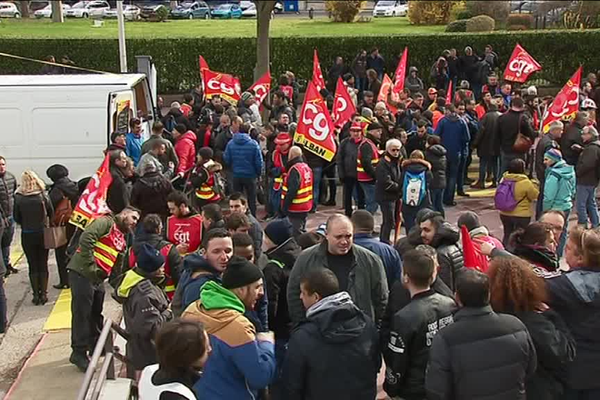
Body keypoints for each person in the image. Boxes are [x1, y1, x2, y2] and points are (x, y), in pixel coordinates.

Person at [425, 269, 537, 400]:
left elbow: (437, 389)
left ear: (457, 297)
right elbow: (530, 368)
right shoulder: (516, 326)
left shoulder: (445, 338)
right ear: (488, 295)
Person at [182, 257, 276, 399]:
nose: (262, 292)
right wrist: (267, 344)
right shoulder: (238, 326)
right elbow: (260, 376)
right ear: (241, 290)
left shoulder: (191, 311)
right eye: (257, 287)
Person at [283, 268, 380, 400]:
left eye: (303, 293)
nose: (300, 297)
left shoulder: (302, 336)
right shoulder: (367, 324)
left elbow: (292, 385)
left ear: (316, 297)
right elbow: (375, 365)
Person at [487, 256, 574, 400]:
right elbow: (564, 352)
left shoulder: (488, 321)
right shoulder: (536, 322)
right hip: (538, 390)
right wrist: (552, 316)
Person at [68, 207, 140, 372]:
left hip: (96, 277)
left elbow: (117, 269)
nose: (134, 223)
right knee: (82, 313)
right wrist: (90, 265)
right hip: (82, 272)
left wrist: (123, 287)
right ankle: (78, 352)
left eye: (136, 221)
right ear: (123, 213)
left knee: (95, 311)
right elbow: (87, 238)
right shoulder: (106, 222)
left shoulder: (122, 237)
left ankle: (96, 345)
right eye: (133, 218)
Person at [287, 214, 388, 325]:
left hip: (359, 332)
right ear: (326, 234)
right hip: (318, 331)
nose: (344, 241)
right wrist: (303, 325)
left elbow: (381, 298)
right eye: (338, 237)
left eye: (348, 236)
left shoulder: (370, 261)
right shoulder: (306, 258)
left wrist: (372, 328)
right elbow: (294, 293)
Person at [383, 250, 456, 400]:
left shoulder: (404, 318)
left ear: (406, 277)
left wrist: (391, 387)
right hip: (443, 381)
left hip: (414, 389)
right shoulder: (449, 304)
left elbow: (397, 360)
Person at [547, 227, 600, 399]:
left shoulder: (561, 287)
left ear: (580, 258)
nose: (564, 250)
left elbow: (528, 282)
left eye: (568, 248)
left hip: (573, 371)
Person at [115, 243, 173, 377]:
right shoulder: (144, 295)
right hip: (149, 357)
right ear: (152, 270)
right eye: (161, 267)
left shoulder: (137, 281)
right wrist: (168, 312)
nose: (164, 269)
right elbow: (151, 329)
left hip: (143, 353)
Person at [261, 219, 302, 378]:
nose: (264, 241)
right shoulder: (300, 257)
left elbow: (271, 304)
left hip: (280, 332)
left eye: (266, 237)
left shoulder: (273, 268)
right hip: (296, 326)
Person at [138, 319, 211, 400]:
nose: (210, 349)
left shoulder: (149, 370)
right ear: (189, 356)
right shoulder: (176, 396)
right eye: (206, 348)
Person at [14, 170, 54, 306]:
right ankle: (44, 293)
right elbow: (51, 212)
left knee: (32, 264)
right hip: (42, 232)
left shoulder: (19, 197)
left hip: (27, 233)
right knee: (43, 263)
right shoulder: (43, 195)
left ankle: (35, 294)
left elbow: (16, 217)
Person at [171, 229, 232, 317]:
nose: (224, 257)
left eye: (228, 251)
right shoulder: (198, 286)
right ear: (204, 253)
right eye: (216, 251)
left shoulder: (193, 268)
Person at [128, 214, 183, 301]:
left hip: (137, 297)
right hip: (166, 298)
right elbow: (179, 277)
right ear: (158, 229)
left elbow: (123, 274)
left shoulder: (131, 250)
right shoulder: (169, 249)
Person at [46, 164, 79, 289]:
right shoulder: (75, 185)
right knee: (75, 250)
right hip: (75, 222)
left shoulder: (56, 190)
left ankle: (65, 281)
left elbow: (50, 208)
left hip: (61, 224)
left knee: (61, 252)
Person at [352, 210, 402, 289]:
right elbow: (398, 281)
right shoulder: (390, 251)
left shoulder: (344, 248)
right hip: (385, 297)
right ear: (372, 228)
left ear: (352, 226)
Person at [224, 121, 264, 217]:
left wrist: (232, 167)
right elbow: (259, 161)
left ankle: (237, 217)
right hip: (251, 175)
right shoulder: (253, 144)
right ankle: (252, 217)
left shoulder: (231, 143)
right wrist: (259, 173)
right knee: (251, 199)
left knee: (237, 198)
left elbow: (227, 158)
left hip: (236, 174)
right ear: (249, 131)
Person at [498, 158, 539, 247]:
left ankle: (505, 255)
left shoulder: (504, 179)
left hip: (504, 213)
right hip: (521, 215)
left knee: (507, 235)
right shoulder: (525, 182)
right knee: (520, 237)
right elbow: (534, 196)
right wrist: (535, 184)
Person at [434, 104, 470, 206]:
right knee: (453, 176)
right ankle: (449, 199)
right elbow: (467, 138)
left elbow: (436, 135)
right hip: (457, 153)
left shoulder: (443, 121)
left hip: (444, 153)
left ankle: (442, 198)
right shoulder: (462, 122)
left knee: (445, 175)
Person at [543, 149, 576, 257]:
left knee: (549, 234)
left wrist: (546, 210)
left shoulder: (553, 174)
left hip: (555, 207)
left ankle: (550, 255)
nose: (544, 162)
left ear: (553, 160)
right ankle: (558, 255)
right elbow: (573, 190)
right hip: (567, 205)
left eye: (546, 159)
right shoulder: (570, 171)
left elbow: (549, 195)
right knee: (562, 232)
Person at [419, 214, 464, 290]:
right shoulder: (456, 245)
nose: (422, 234)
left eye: (427, 230)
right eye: (421, 230)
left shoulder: (440, 255)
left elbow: (444, 287)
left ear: (437, 231)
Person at [496, 97, 536, 175]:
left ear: (511, 105)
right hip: (519, 149)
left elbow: (497, 134)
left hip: (505, 149)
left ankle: (503, 186)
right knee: (519, 173)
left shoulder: (502, 118)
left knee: (504, 172)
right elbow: (530, 133)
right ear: (522, 105)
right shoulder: (523, 118)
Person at [375, 138, 403, 244]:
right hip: (386, 195)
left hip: (395, 195)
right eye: (393, 150)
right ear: (388, 150)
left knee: (394, 219)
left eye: (397, 150)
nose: (396, 152)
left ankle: (387, 239)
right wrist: (399, 187)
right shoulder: (383, 163)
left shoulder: (398, 161)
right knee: (389, 220)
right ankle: (384, 240)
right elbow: (385, 181)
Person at [535, 121, 563, 218]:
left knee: (542, 196)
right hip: (546, 173)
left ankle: (539, 216)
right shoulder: (550, 143)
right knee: (545, 196)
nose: (562, 132)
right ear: (554, 130)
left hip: (541, 171)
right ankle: (541, 217)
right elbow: (550, 161)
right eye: (560, 130)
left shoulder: (544, 139)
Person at [401, 150, 433, 233]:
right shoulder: (426, 170)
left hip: (407, 201)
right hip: (423, 201)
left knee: (409, 223)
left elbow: (400, 183)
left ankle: (410, 239)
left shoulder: (404, 169)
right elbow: (430, 183)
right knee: (421, 222)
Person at [338, 122, 365, 217]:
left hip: (361, 174)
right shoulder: (344, 143)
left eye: (358, 131)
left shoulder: (364, 143)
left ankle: (361, 215)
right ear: (350, 132)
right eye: (354, 131)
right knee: (347, 196)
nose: (356, 133)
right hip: (348, 173)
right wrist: (341, 174)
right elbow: (340, 159)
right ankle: (348, 214)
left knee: (361, 196)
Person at [575, 125, 600, 228]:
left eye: (584, 134)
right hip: (592, 179)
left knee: (581, 204)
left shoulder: (592, 148)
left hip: (585, 179)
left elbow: (588, 163)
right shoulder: (594, 146)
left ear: (590, 135)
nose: (582, 136)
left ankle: (583, 224)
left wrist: (578, 172)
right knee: (591, 202)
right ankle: (596, 224)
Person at [473, 103, 501, 189]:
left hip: (485, 144)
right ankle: (495, 181)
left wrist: (475, 143)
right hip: (497, 144)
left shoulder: (485, 117)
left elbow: (480, 131)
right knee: (495, 163)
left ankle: (481, 181)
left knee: (483, 163)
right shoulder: (501, 117)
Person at [357, 122, 383, 214]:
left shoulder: (370, 143)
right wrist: (375, 175)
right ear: (371, 132)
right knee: (372, 203)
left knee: (372, 202)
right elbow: (366, 163)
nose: (380, 133)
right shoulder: (367, 145)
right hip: (367, 178)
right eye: (378, 131)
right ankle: (364, 224)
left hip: (367, 177)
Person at [229, 192, 264, 261]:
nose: (233, 209)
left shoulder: (252, 225)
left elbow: (256, 251)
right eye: (231, 207)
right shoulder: (232, 219)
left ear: (244, 206)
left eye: (237, 206)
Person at [188, 147, 222, 212]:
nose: (197, 156)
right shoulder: (212, 165)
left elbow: (196, 182)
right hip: (213, 195)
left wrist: (193, 174)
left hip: (205, 197)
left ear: (204, 158)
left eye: (199, 155)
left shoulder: (204, 171)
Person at [0, 156, 18, 276]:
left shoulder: (10, 177)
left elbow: (14, 194)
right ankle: (2, 267)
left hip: (10, 215)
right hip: (1, 217)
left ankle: (7, 264)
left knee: (7, 242)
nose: (1, 167)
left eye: (3, 164)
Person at [269, 133, 292, 217]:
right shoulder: (274, 154)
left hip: (290, 184)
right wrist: (280, 170)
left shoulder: (293, 153)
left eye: (282, 144)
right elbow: (270, 170)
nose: (280, 146)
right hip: (277, 186)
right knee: (276, 203)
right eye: (279, 144)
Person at [425, 135, 447, 216]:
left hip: (433, 181)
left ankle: (434, 221)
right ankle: (442, 219)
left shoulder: (429, 153)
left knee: (432, 204)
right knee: (439, 203)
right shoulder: (442, 153)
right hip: (442, 180)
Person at [107, 149, 131, 214]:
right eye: (123, 158)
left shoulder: (110, 172)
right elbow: (120, 198)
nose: (125, 160)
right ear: (117, 161)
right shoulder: (116, 177)